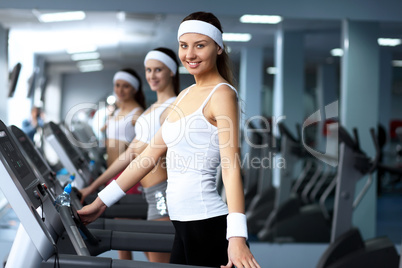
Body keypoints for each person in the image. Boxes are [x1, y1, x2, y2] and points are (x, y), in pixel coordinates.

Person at [78, 11, 261, 268]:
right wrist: (100, 203)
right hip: (182, 225)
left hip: (207, 224)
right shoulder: (185, 96)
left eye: (200, 45)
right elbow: (147, 157)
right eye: (184, 46)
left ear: (218, 47)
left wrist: (237, 235)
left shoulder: (221, 94)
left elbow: (231, 168)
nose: (190, 54)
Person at [79, 47, 179, 263]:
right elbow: (131, 154)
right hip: (151, 194)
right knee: (155, 258)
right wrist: (93, 187)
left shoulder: (174, 107)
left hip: (162, 195)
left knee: (159, 262)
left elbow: (148, 156)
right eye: (148, 70)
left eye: (158, 70)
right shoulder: (153, 108)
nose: (152, 75)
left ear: (171, 71)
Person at [103, 68, 145, 167]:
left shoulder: (137, 114)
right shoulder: (116, 112)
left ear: (134, 89)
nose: (120, 90)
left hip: (124, 172)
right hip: (110, 170)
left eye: (126, 86)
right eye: (117, 85)